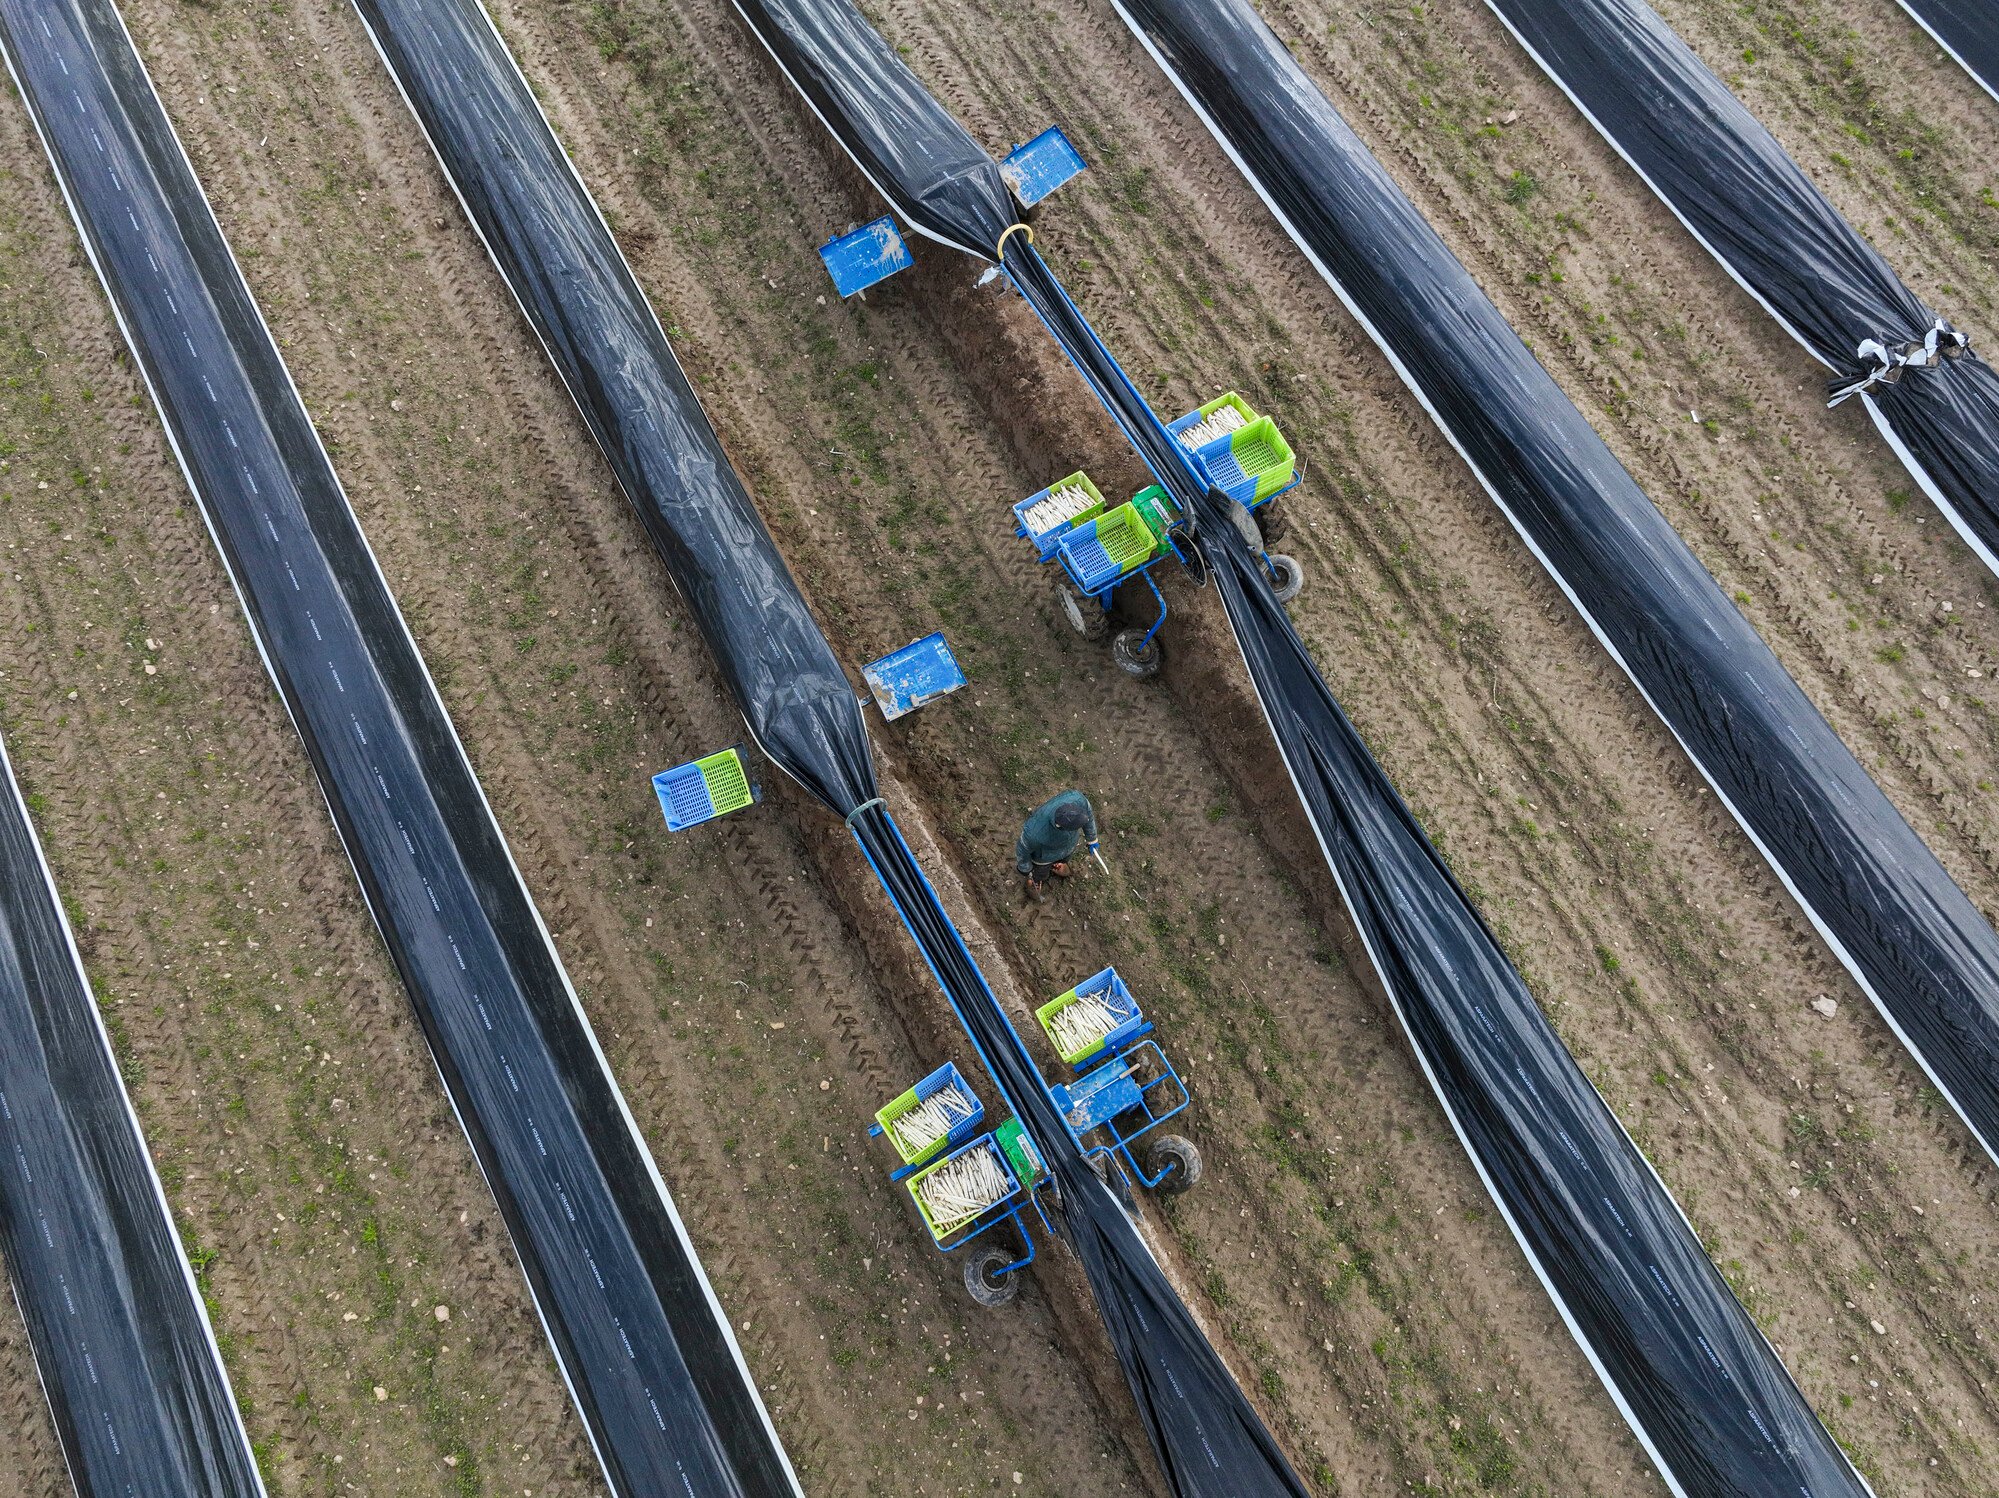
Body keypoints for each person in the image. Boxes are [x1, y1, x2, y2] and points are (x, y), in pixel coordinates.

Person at [1015, 789, 1099, 901]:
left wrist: (1092, 839)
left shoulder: (1077, 799)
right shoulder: (1034, 833)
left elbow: (1087, 814)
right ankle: (1035, 880)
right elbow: (1023, 849)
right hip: (1045, 857)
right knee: (1041, 872)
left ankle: (1059, 863)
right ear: (1063, 827)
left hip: (1067, 847)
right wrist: (1025, 868)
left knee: (1065, 859)